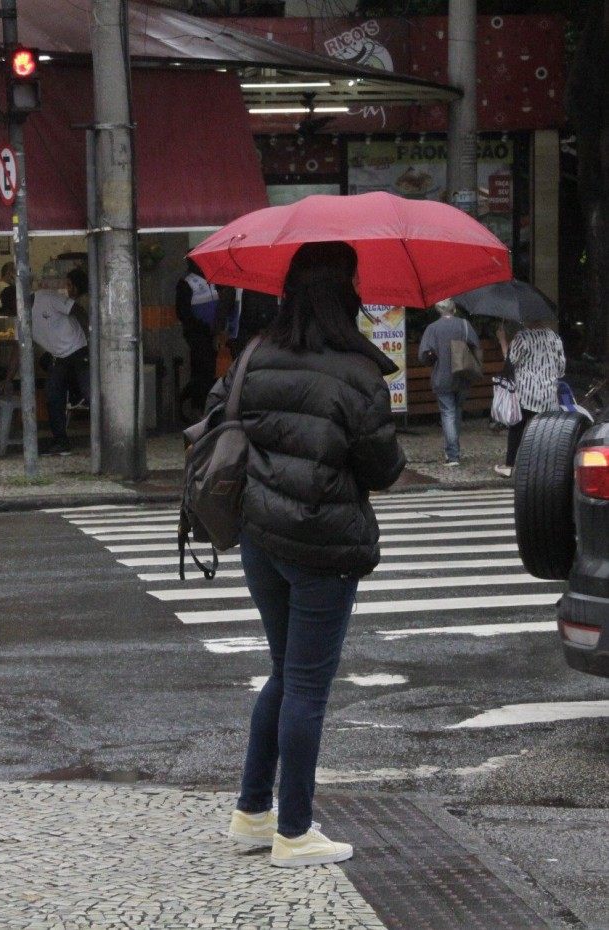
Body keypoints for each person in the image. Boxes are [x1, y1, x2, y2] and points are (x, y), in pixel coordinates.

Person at [206, 242, 406, 868]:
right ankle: (293, 831)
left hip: (261, 538)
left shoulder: (255, 356)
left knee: (285, 674)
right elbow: (383, 468)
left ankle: (251, 814)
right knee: (307, 687)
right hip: (323, 546)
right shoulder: (357, 373)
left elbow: (217, 419)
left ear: (289, 290)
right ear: (346, 293)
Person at [494, 319, 566, 477]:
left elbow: (510, 362)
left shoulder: (522, 337)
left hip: (526, 395)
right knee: (547, 432)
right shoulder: (555, 338)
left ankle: (509, 466)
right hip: (549, 396)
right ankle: (547, 469)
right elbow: (561, 370)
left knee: (517, 428)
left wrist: (502, 340)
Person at [30, 267, 90, 455]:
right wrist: (8, 379)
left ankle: (106, 438)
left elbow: (78, 310)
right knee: (52, 395)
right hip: (59, 357)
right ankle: (61, 442)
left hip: (78, 349)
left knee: (90, 393)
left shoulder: (46, 297)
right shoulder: (21, 319)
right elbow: (18, 349)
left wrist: (93, 338)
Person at [418, 298, 480, 467]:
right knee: (457, 411)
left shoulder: (432, 328)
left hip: (442, 377)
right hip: (463, 375)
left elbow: (423, 355)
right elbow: (475, 345)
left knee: (447, 413)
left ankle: (452, 455)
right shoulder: (465, 325)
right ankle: (453, 449)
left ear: (438, 310)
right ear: (454, 309)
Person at [175, 259, 222, 419]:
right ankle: (196, 406)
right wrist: (201, 327)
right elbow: (183, 312)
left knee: (209, 371)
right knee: (202, 371)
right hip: (197, 335)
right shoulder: (187, 283)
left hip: (212, 334)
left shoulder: (212, 280)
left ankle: (203, 406)